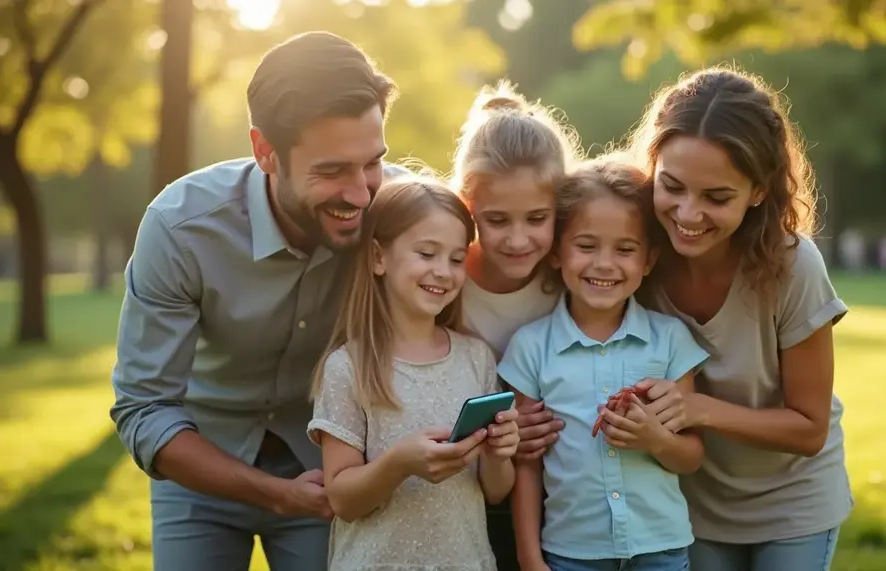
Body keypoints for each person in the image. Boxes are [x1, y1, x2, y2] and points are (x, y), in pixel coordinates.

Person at [517, 66, 854, 571]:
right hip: (689, 508)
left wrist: (697, 411)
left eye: (717, 197)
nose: (689, 214)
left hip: (791, 503)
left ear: (759, 191)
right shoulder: (637, 257)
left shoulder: (793, 267)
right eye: (672, 186)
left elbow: (809, 429)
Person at [109, 31, 409, 571]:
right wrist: (274, 493)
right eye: (331, 170)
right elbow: (145, 409)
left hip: (333, 477)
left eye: (372, 163)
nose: (362, 194)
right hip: (201, 469)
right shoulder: (180, 230)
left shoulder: (399, 214)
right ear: (264, 152)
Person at [499, 157, 711, 571]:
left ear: (648, 261)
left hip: (660, 551)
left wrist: (657, 440)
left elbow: (691, 456)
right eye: (586, 246)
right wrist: (529, 558)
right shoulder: (529, 348)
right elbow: (526, 463)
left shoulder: (670, 341)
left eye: (625, 249)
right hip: (570, 554)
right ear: (557, 252)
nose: (604, 264)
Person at [308, 175, 520, 570]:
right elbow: (342, 499)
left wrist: (499, 453)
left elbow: (495, 491)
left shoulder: (477, 358)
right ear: (378, 258)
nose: (444, 271)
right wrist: (399, 463)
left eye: (457, 259)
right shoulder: (349, 368)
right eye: (427, 254)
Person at [449, 80, 583, 570]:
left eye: (537, 218)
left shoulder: (568, 278)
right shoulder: (448, 279)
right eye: (498, 220)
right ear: (469, 207)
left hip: (561, 490)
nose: (518, 239)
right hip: (467, 488)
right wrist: (498, 432)